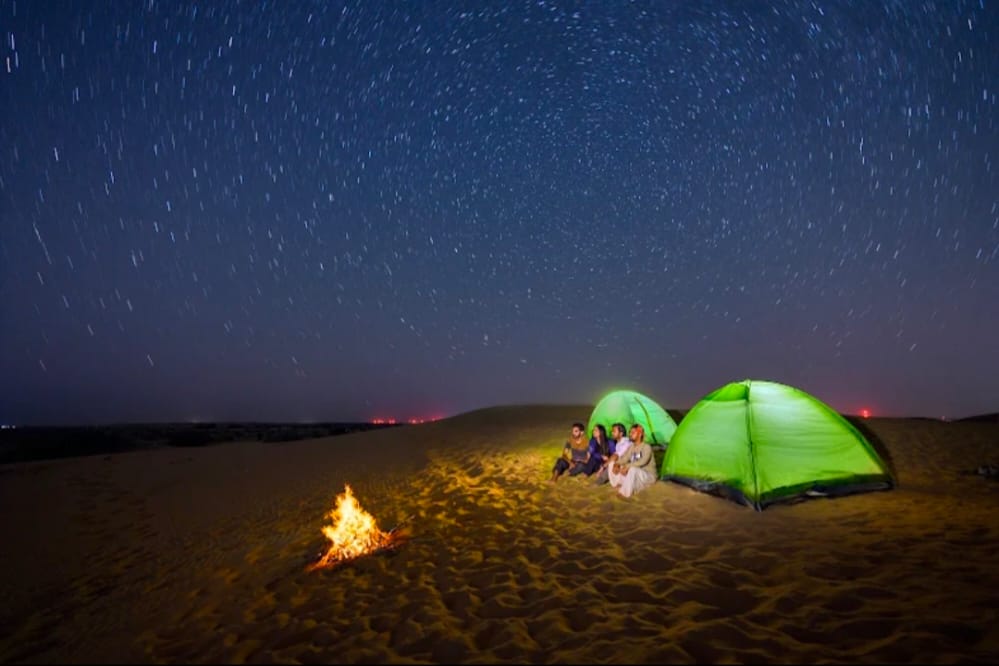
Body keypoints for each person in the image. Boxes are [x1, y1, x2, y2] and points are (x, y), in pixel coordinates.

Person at [612, 424, 657, 498]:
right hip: (636, 474)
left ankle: (624, 493)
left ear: (640, 434)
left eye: (633, 432)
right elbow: (625, 458)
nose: (630, 434)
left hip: (648, 475)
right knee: (613, 464)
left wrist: (627, 466)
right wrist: (616, 464)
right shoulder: (632, 447)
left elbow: (643, 461)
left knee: (632, 469)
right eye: (630, 432)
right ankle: (618, 483)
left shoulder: (646, 447)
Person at [602, 423, 633, 487]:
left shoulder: (625, 442)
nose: (612, 433)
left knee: (611, 463)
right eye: (612, 431)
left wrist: (604, 466)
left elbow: (616, 456)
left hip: (632, 465)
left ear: (621, 433)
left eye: (614, 431)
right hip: (625, 463)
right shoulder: (618, 443)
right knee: (612, 463)